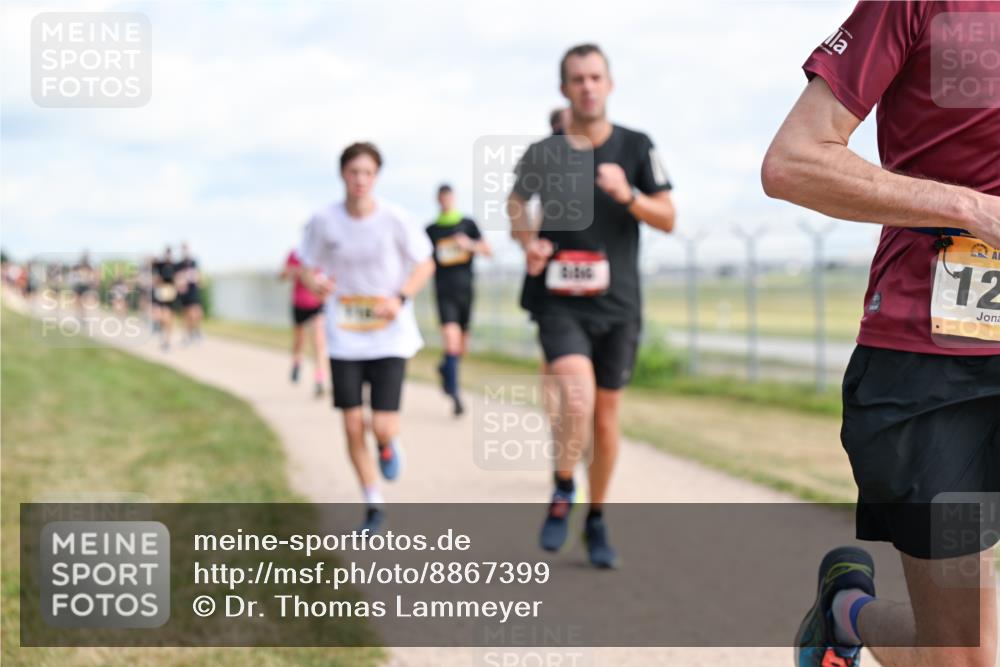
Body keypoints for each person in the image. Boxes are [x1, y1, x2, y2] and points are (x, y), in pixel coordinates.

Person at [761, 3, 999, 666]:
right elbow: (793, 161)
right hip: (941, 368)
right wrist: (969, 207)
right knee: (963, 656)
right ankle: (847, 614)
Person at [507, 44, 675, 568]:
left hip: (618, 303)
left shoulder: (637, 146)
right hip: (559, 302)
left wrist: (628, 195)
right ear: (564, 89)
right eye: (577, 79)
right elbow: (516, 204)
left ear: (609, 83)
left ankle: (596, 516)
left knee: (604, 420)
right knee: (575, 400)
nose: (587, 86)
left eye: (595, 77)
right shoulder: (544, 152)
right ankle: (563, 488)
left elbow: (668, 216)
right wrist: (527, 241)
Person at [298, 142, 434, 533]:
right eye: (354, 172)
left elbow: (426, 263)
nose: (360, 180)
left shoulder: (396, 219)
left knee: (382, 425)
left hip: (389, 335)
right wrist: (316, 282)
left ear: (377, 177)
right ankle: (373, 503)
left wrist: (401, 297)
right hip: (344, 335)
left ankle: (388, 444)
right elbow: (307, 266)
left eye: (368, 173)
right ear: (343, 174)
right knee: (352, 422)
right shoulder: (323, 221)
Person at [426, 183, 492, 416]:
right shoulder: (431, 230)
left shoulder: (468, 224)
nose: (445, 201)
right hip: (444, 293)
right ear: (437, 200)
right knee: (451, 341)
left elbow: (487, 250)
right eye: (441, 198)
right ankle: (455, 394)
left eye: (449, 198)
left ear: (453, 198)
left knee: (461, 347)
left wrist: (469, 244)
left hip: (466, 291)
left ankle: (446, 368)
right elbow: (423, 261)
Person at [281, 248, 328, 397]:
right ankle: (296, 363)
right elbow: (282, 275)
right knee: (299, 341)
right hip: (299, 303)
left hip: (317, 304)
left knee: (318, 342)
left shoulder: (322, 253)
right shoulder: (294, 254)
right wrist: (293, 273)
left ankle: (319, 380)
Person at [151, 247, 179, 350]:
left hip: (171, 292)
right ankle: (162, 335)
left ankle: (167, 341)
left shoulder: (175, 265)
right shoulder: (160, 264)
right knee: (161, 316)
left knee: (168, 317)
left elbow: (178, 278)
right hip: (162, 292)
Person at [175, 243, 203, 344]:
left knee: (197, 312)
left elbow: (198, 276)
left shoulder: (193, 262)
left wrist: (198, 281)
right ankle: (188, 335)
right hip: (185, 293)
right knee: (187, 315)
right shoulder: (179, 265)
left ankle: (195, 331)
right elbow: (177, 279)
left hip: (193, 291)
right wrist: (180, 284)